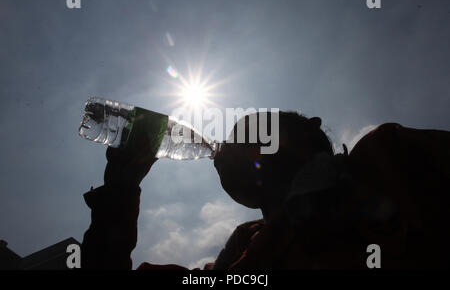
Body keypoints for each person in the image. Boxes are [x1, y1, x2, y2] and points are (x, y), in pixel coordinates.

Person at [81, 111, 450, 269]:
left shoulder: (388, 159)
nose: (223, 148)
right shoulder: (239, 259)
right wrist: (120, 192)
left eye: (244, 133)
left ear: (302, 137)